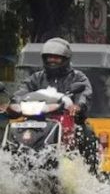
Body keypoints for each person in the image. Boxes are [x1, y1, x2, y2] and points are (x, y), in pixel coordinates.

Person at [12, 37, 98, 173]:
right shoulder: (37, 77)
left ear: (65, 59)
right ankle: (10, 163)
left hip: (68, 121)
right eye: (49, 57)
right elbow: (22, 90)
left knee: (86, 132)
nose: (52, 60)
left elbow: (86, 94)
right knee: (14, 131)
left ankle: (90, 173)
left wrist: (78, 106)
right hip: (37, 119)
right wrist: (16, 102)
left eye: (56, 57)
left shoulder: (77, 77)